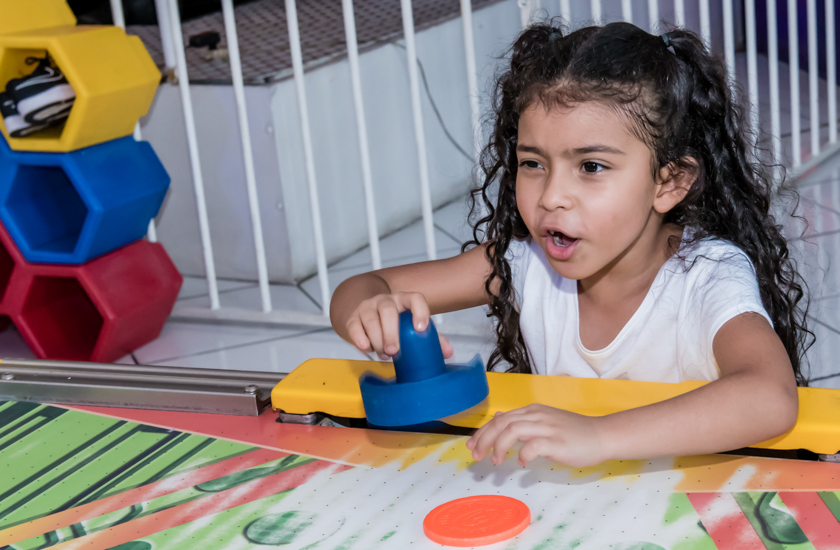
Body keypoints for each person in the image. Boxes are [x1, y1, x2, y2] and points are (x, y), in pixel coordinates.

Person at [329, 22, 812, 469]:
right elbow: (358, 289)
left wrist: (598, 436)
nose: (552, 197)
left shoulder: (706, 276)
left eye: (592, 167)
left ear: (669, 182)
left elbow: (769, 396)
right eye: (533, 163)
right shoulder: (525, 264)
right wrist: (372, 310)